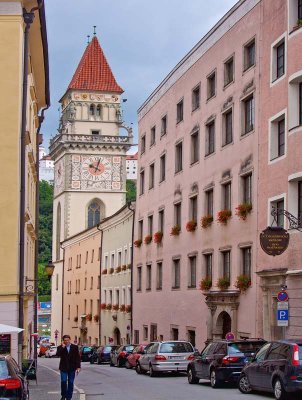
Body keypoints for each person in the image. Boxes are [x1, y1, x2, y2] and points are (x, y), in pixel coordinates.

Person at [56, 334, 81, 400]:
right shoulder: (60, 347)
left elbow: (77, 358)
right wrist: (62, 347)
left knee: (71, 382)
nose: (66, 341)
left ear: (70, 340)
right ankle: (63, 395)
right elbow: (58, 354)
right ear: (63, 341)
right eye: (65, 340)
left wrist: (78, 367)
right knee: (63, 381)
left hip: (72, 367)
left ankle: (69, 397)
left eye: (67, 340)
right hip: (63, 367)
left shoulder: (75, 347)